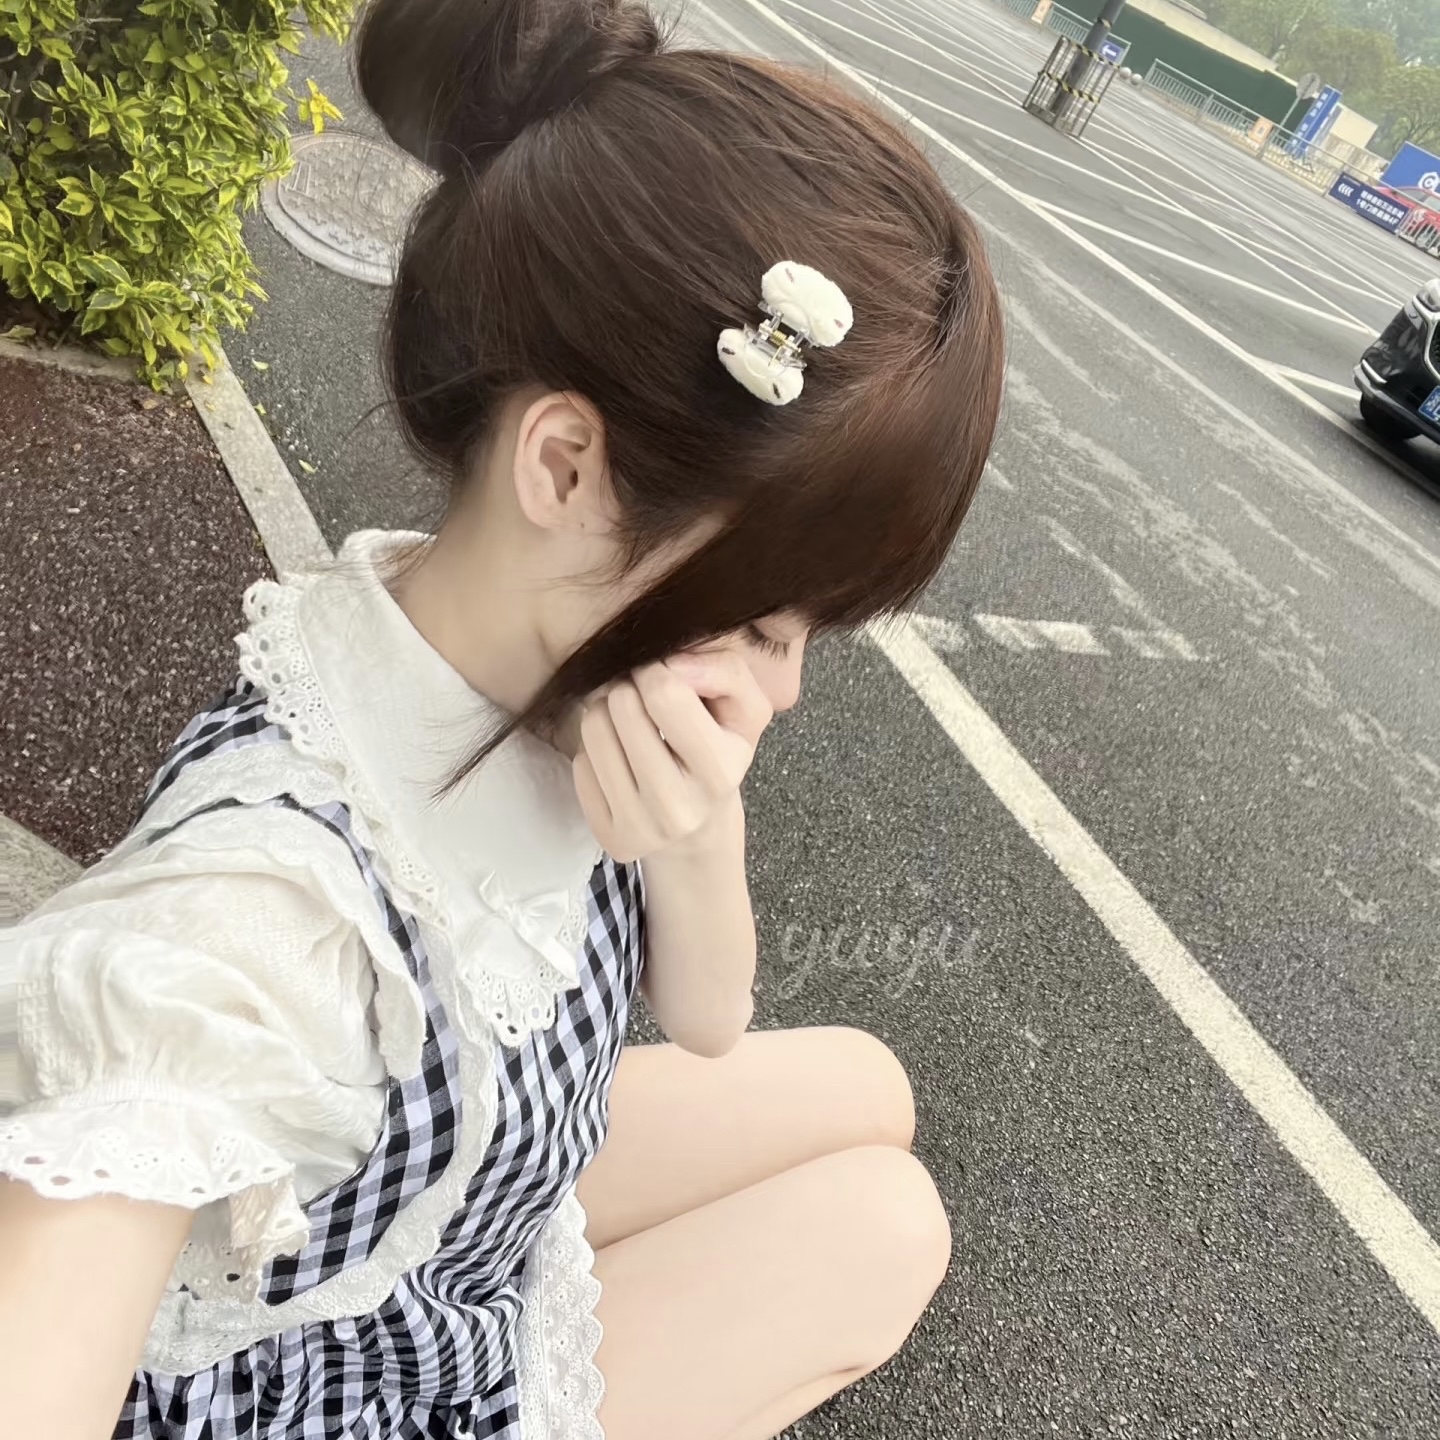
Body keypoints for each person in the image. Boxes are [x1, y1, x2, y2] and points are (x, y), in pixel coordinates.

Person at [0, 0, 1004, 1434]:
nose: (780, 688)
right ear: (566, 464)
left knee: (869, 1085)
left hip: (458, 1210)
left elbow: (709, 1020)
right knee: (883, 1231)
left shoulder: (519, 650)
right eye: (769, 621)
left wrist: (696, 836)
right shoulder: (261, 931)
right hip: (343, 1374)